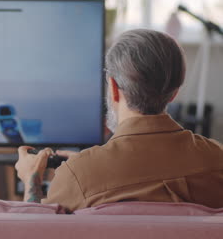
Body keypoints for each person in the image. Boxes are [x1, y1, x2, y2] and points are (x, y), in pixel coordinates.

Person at [15, 29, 223, 213]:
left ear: (113, 88)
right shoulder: (216, 160)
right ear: (174, 93)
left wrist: (32, 180)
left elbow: (35, 231)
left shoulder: (79, 175)